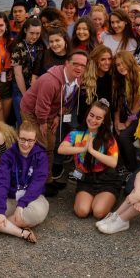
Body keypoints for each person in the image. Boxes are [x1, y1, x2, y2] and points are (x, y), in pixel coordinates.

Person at [21, 50, 88, 194]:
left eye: (83, 65)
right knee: (41, 145)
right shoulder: (50, 81)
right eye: (75, 64)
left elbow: (65, 101)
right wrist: (43, 122)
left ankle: (47, 179)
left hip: (50, 113)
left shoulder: (78, 79)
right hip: (33, 112)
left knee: (50, 145)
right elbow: (41, 106)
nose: (79, 68)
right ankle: (34, 183)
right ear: (66, 64)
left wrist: (57, 115)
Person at [0, 122, 49, 243]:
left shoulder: (41, 156)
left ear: (35, 140)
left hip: (32, 199)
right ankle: (21, 232)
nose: (26, 144)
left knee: (37, 213)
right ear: (17, 137)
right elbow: (2, 183)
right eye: (23, 139)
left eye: (30, 140)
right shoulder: (8, 156)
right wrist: (0, 211)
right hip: (11, 199)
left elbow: (38, 183)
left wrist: (22, 204)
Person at [58, 100, 121, 219]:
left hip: (106, 180)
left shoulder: (109, 138)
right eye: (91, 115)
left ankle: (108, 197)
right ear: (87, 114)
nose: (93, 120)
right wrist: (83, 149)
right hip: (85, 180)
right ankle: (94, 199)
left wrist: (92, 151)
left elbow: (113, 162)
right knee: (82, 211)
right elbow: (61, 149)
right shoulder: (76, 133)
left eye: (98, 118)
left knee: (98, 212)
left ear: (103, 121)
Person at [112, 51, 140, 173]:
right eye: (118, 65)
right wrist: (117, 121)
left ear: (130, 62)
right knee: (116, 133)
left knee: (124, 136)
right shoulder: (120, 78)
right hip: (128, 107)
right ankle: (121, 164)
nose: (121, 67)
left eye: (124, 63)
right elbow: (118, 101)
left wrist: (127, 123)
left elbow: (138, 105)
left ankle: (132, 169)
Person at [10, 18, 45, 124]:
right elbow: (18, 74)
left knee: (35, 121)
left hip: (36, 87)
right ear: (25, 30)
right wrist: (26, 94)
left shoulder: (40, 46)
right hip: (21, 88)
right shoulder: (18, 47)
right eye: (32, 33)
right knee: (24, 121)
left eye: (37, 33)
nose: (34, 36)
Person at [77, 45, 113, 123]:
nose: (107, 62)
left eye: (110, 59)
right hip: (86, 122)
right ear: (96, 60)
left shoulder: (112, 77)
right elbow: (82, 107)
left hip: (105, 123)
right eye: (103, 59)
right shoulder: (85, 78)